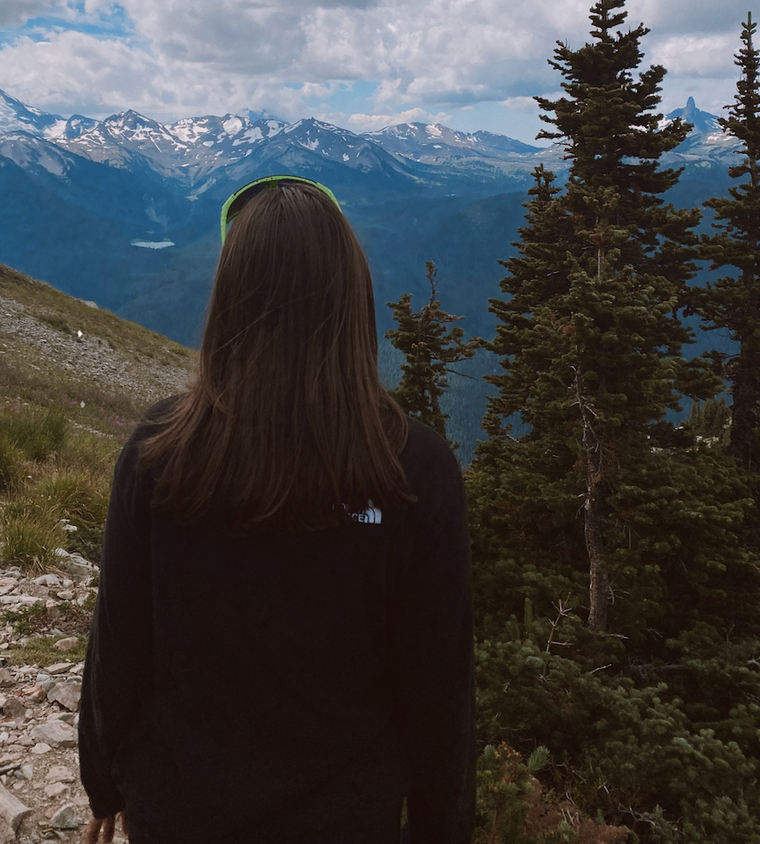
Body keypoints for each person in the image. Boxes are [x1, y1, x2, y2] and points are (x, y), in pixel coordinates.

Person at [78, 175, 476, 844]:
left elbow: (118, 640)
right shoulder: (414, 469)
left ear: (230, 297)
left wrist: (104, 779)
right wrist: (442, 825)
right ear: (353, 296)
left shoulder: (158, 452)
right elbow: (439, 687)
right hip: (346, 819)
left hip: (178, 810)